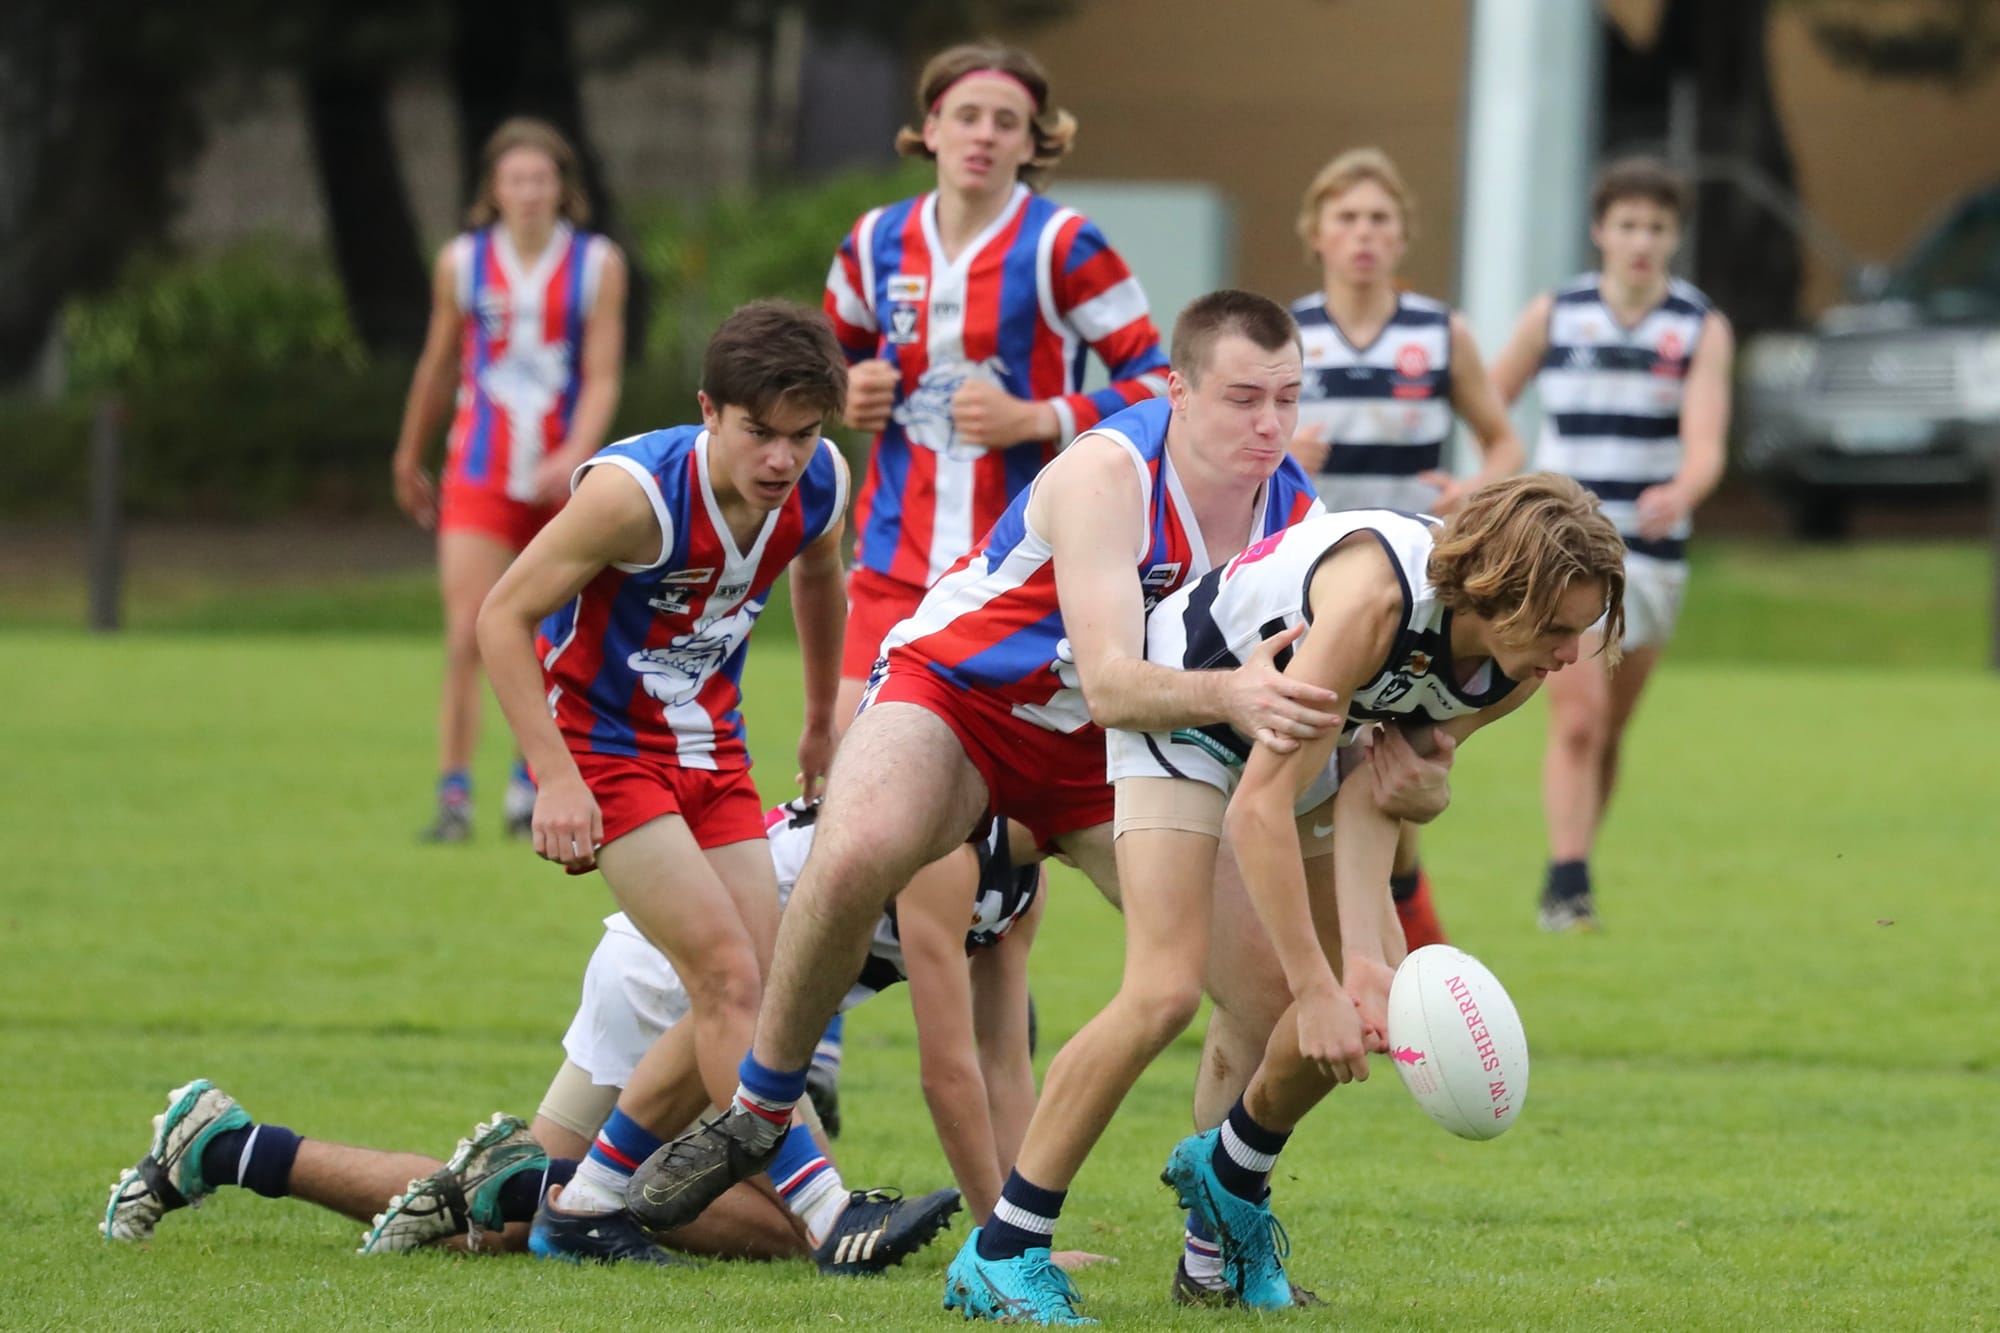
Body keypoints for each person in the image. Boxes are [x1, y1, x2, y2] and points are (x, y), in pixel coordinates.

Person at [621, 290, 1337, 1326]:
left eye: (1286, 399)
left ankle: (1213, 1250)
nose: (1268, 425)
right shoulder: (1110, 472)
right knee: (859, 845)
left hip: (1117, 752)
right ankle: (761, 1105)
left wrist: (1410, 743)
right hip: (966, 695)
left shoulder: (1298, 514)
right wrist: (1239, 695)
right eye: (1242, 399)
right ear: (1178, 392)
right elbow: (1110, 679)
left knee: (1267, 999)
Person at [99, 800, 1061, 1273]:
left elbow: (1001, 1062)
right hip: (688, 985)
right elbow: (947, 1072)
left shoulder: (1023, 878)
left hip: (705, 991)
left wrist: (1024, 1225)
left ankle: (230, 1146)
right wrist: (1007, 1246)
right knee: (790, 1228)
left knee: (508, 1222)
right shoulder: (946, 845)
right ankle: (547, 1187)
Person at [1103, 476, 1625, 1309]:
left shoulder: (1512, 669)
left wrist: (1363, 960)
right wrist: (1316, 984)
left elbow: (1377, 788)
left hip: (1304, 734)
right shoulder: (1377, 603)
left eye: (1583, 630)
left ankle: (1216, 1221)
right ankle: (1012, 1237)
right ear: (1501, 593)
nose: (1570, 656)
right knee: (1217, 994)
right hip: (1190, 708)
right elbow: (1259, 808)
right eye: (1559, 628)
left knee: (1371, 1005)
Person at [474, 299, 857, 1265]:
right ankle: (829, 1215)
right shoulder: (633, 497)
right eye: (759, 432)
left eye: (803, 435)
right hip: (604, 748)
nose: (782, 458)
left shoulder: (822, 482)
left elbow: (820, 574)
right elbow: (499, 617)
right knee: (728, 978)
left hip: (712, 749)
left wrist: (821, 715)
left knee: (761, 992)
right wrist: (553, 777)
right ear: (708, 411)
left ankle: (583, 1200)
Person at [824, 41, 1169, 728]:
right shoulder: (874, 241)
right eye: (967, 116)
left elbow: (1160, 382)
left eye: (1005, 122)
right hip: (892, 554)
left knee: (987, 758)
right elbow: (827, 365)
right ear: (931, 129)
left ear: (1031, 145)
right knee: (850, 742)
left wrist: (1039, 418)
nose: (984, 134)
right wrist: (845, 389)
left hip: (1018, 561)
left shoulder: (1063, 243)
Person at [1286, 146, 1527, 951]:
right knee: (1316, 776)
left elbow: (1503, 442)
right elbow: (1225, 445)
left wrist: (1475, 490)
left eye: (1379, 219)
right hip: (1311, 585)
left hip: (1419, 588)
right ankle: (1372, 955)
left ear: (1402, 235)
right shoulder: (1288, 333)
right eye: (1347, 217)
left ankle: (1410, 955)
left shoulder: (1438, 332)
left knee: (1386, 777)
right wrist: (1283, 453)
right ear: (1315, 232)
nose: (1363, 233)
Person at [1487, 157, 1733, 932]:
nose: (1641, 241)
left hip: (1651, 553)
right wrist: (1491, 482)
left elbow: (1706, 443)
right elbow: (1489, 405)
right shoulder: (1556, 314)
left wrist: (1682, 490)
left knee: (1610, 728)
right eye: (1627, 225)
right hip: (1565, 546)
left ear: (1674, 237)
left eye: (1656, 227)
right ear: (1600, 230)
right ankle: (1569, 881)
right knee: (1579, 718)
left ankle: (1572, 869)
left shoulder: (1698, 326)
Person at [391, 117, 628, 843]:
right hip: (480, 472)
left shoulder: (597, 265)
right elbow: (438, 365)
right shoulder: (462, 263)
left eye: (541, 179)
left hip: (560, 479)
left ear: (562, 188)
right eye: (515, 180)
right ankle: (454, 794)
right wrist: (409, 452)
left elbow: (602, 375)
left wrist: (577, 453)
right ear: (493, 190)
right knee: (468, 629)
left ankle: (531, 783)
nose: (529, 192)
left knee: (552, 633)